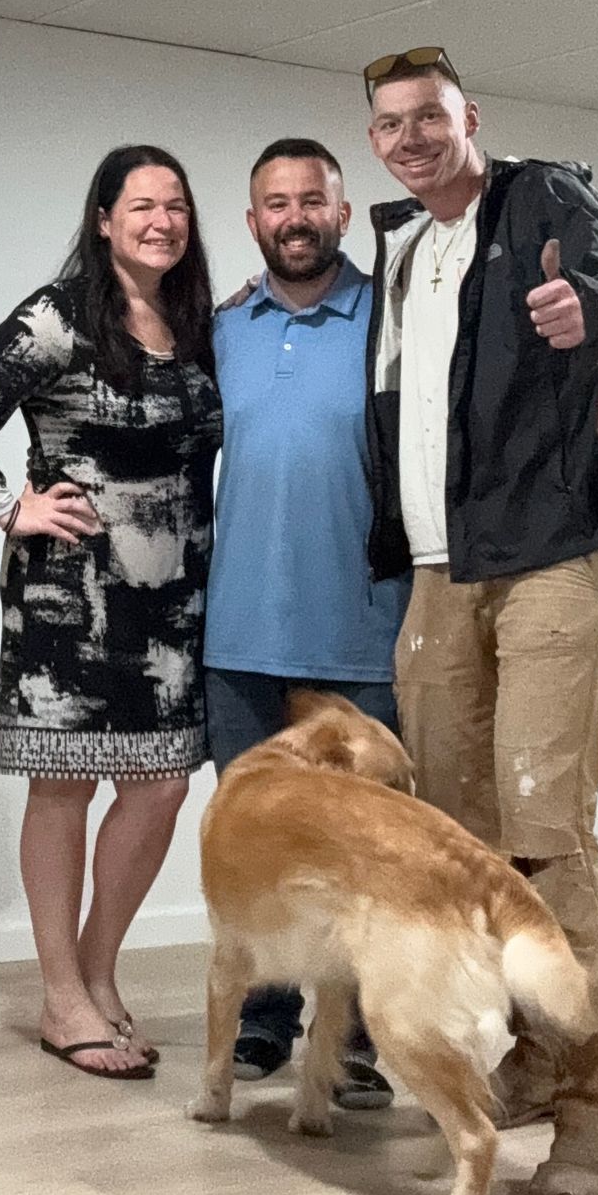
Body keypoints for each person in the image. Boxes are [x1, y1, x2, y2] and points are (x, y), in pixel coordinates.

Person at [361, 43, 598, 1195]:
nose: (410, 138)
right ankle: (535, 1057)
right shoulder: (401, 250)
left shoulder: (541, 194)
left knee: (543, 835)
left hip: (550, 555)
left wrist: (587, 309)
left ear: (468, 117)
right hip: (441, 573)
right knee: (463, 846)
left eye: (428, 117)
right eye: (389, 125)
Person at [0, 147, 222, 1080]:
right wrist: (10, 507)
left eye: (176, 206)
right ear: (102, 219)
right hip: (69, 600)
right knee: (62, 788)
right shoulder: (56, 317)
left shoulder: (201, 325)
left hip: (176, 599)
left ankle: (97, 969)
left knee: (162, 785)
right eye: (141, 205)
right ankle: (61, 996)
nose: (161, 221)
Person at [202, 138, 411, 1101]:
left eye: (312, 200)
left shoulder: (398, 317)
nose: (295, 217)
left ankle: (362, 1039)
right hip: (238, 633)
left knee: (366, 856)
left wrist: (594, 418)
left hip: (364, 633)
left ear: (341, 208)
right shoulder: (223, 327)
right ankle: (263, 1022)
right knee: (263, 851)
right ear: (253, 223)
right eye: (275, 203)